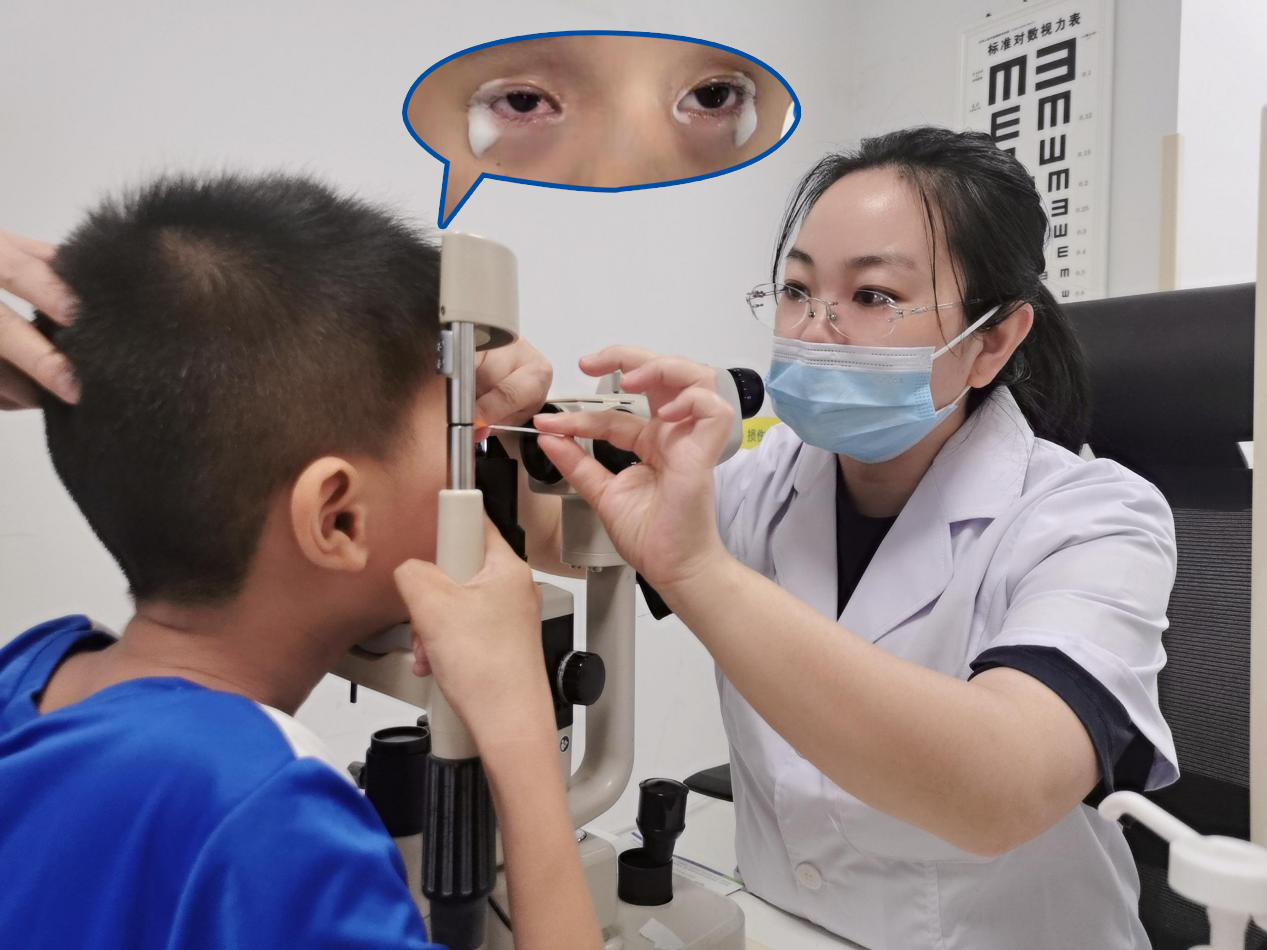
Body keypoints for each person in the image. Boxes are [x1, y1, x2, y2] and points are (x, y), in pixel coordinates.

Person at [523, 128, 1178, 949]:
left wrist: (699, 573)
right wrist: (507, 424)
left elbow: (1002, 789)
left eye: (871, 296)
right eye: (797, 290)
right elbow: (561, 539)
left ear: (992, 340)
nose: (813, 328)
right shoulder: (766, 479)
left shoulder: (1093, 518)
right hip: (783, 927)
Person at [0, 175, 600, 950]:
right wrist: (520, 730)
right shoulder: (271, 819)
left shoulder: (31, 672)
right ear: (337, 518)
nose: (473, 468)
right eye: (454, 437)